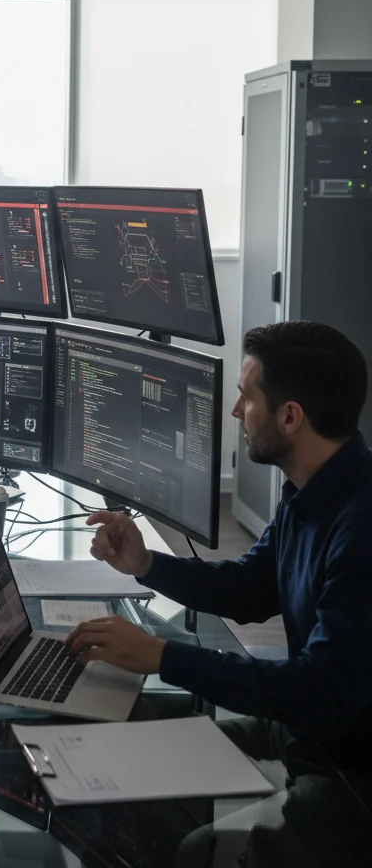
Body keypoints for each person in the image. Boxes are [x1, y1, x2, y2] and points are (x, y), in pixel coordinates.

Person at [63, 321, 372, 867]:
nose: (236, 413)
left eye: (245, 397)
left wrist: (162, 656)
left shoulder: (361, 526)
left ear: (290, 416)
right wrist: (146, 564)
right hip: (312, 730)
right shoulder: (314, 490)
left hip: (346, 769)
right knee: (135, 752)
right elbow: (251, 588)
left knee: (184, 849)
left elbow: (322, 693)